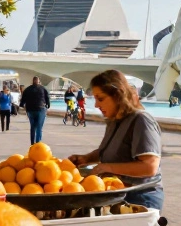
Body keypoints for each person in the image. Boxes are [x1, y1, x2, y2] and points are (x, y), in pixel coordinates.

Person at [69, 69, 164, 210]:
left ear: (118, 96)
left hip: (140, 199)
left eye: (100, 98)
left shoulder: (141, 120)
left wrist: (107, 167)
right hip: (118, 196)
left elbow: (149, 166)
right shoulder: (114, 121)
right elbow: (107, 151)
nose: (96, 105)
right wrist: (86, 158)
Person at [21, 76, 50, 145]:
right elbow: (47, 97)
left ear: (32, 81)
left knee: (33, 126)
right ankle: (38, 143)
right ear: (39, 81)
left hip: (30, 110)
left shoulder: (27, 89)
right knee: (39, 127)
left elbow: (23, 100)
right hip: (40, 109)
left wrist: (22, 105)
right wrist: (48, 104)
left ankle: (32, 143)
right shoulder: (43, 88)